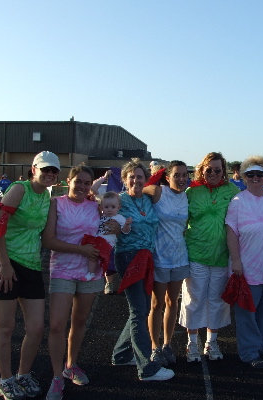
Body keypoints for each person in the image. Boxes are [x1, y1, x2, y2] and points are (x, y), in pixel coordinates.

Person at [0, 150, 60, 400]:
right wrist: (4, 264)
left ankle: (23, 374)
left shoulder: (48, 197)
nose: (49, 174)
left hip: (32, 265)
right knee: (6, 327)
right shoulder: (19, 189)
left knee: (35, 328)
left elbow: (47, 237)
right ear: (33, 169)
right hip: (6, 262)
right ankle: (5, 379)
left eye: (53, 171)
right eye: (44, 169)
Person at [42, 164, 111, 399]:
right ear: (68, 181)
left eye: (86, 182)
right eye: (77, 181)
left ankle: (71, 365)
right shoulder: (56, 204)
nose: (81, 186)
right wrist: (80, 250)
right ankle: (56, 377)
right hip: (62, 270)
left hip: (90, 272)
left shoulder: (96, 206)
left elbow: (111, 224)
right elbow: (48, 241)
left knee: (79, 321)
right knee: (57, 325)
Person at [111, 159, 175, 381]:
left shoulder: (148, 199)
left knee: (141, 308)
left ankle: (120, 355)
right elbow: (105, 217)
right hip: (129, 257)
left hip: (147, 257)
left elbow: (160, 190)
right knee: (139, 311)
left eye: (140, 176)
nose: (136, 180)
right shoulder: (119, 201)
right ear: (124, 179)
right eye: (132, 176)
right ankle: (146, 367)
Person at [225, 156, 263, 369]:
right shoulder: (238, 202)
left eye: (260, 174)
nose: (255, 178)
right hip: (248, 266)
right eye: (250, 174)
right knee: (247, 312)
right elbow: (231, 232)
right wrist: (236, 261)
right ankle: (249, 352)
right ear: (243, 177)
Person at [179, 152, 240, 362]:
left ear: (224, 171)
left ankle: (211, 342)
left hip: (222, 256)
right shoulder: (191, 192)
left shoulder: (232, 191)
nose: (213, 173)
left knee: (217, 301)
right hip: (196, 254)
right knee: (193, 300)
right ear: (201, 170)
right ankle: (191, 344)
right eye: (209, 170)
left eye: (217, 170)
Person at [143, 161, 190, 366]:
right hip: (160, 257)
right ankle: (154, 346)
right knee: (157, 304)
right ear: (167, 177)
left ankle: (167, 344)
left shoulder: (187, 196)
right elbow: (135, 190)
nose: (181, 179)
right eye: (177, 175)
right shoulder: (158, 191)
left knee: (173, 302)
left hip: (180, 257)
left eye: (184, 175)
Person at [91, 191, 131, 289]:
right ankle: (91, 274)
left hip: (110, 246)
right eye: (106, 207)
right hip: (98, 243)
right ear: (102, 208)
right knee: (92, 259)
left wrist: (126, 225)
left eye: (113, 207)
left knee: (110, 266)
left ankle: (112, 282)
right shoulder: (101, 217)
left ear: (118, 207)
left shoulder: (120, 218)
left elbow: (125, 231)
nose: (109, 209)